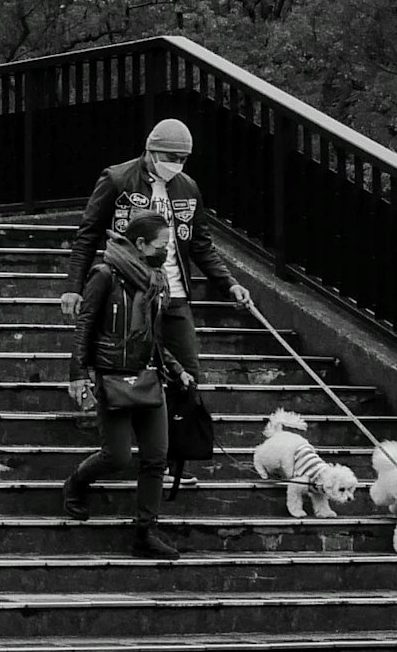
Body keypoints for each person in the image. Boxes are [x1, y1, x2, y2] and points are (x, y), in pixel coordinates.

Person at [72, 116, 255, 495]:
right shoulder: (118, 179)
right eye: (170, 156)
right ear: (151, 150)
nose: (176, 164)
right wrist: (74, 287)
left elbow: (201, 242)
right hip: (128, 291)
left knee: (187, 373)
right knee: (130, 364)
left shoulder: (187, 187)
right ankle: (120, 446)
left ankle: (173, 459)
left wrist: (230, 283)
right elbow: (88, 232)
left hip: (175, 293)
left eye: (183, 158)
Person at [62, 201, 194, 561]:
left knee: (156, 456)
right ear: (138, 243)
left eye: (167, 243)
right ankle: (76, 483)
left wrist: (174, 365)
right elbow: (86, 325)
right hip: (113, 376)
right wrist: (78, 373)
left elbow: (153, 334)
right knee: (117, 456)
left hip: (151, 375)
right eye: (158, 245)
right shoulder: (105, 274)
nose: (165, 250)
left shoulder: (157, 279)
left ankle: (145, 531)